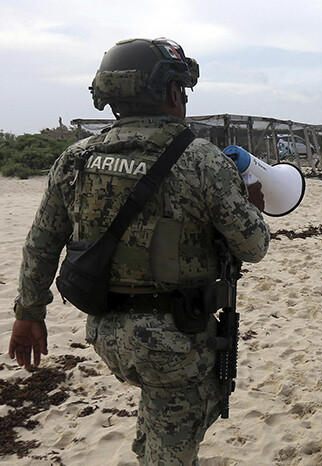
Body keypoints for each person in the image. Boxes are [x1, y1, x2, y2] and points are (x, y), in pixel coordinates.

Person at [8, 37, 270, 464]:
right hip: (176, 338)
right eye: (181, 89)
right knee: (176, 431)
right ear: (170, 92)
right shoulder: (200, 159)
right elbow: (253, 247)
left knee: (159, 416)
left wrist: (28, 313)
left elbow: (41, 243)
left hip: (105, 330)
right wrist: (252, 211)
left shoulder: (74, 159)